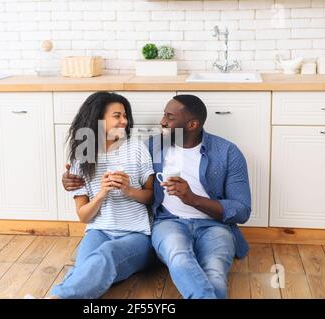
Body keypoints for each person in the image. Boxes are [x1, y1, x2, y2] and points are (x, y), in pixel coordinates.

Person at [63, 94, 251, 299]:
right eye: (164, 114)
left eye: (169, 117)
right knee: (177, 257)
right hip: (169, 223)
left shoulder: (227, 152)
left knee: (214, 274)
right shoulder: (153, 146)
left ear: (192, 124)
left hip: (214, 226)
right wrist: (70, 179)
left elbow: (241, 210)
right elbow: (100, 161)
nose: (161, 121)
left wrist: (192, 199)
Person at [48, 91, 155, 299]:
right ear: (99, 118)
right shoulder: (84, 156)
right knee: (86, 269)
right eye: (117, 116)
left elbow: (151, 196)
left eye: (125, 115)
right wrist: (102, 193)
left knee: (104, 257)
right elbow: (84, 216)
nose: (124, 121)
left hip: (137, 235)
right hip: (99, 231)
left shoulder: (136, 148)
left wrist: (128, 190)